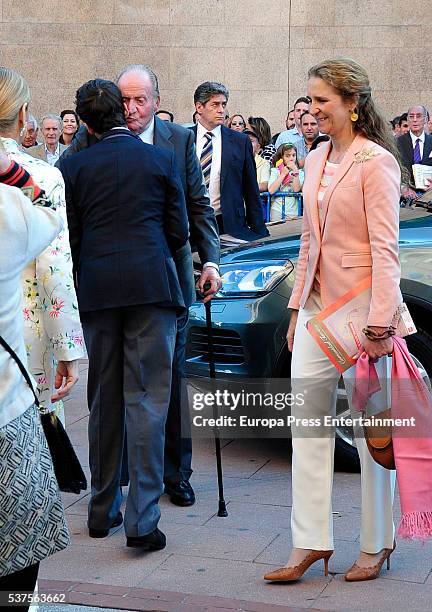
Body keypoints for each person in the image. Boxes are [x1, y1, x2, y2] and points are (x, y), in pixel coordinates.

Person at [264, 57, 402, 584]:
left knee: (373, 436)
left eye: (322, 100)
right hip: (318, 315)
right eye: (311, 99)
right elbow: (308, 242)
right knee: (308, 429)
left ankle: (376, 543)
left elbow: (385, 251)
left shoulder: (376, 162)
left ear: (353, 103)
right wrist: (297, 309)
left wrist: (380, 326)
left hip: (365, 318)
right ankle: (310, 543)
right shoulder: (317, 157)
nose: (312, 109)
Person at [60, 64, 221, 507]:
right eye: (124, 100)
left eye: (140, 100)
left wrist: (210, 262)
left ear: (156, 101)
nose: (132, 109)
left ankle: (176, 475)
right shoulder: (83, 145)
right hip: (132, 282)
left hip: (166, 285)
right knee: (120, 394)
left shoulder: (178, 142)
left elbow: (197, 209)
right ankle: (123, 494)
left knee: (168, 385)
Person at [0, 155, 69, 610]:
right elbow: (51, 211)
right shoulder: (8, 213)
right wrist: (12, 172)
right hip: (7, 411)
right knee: (18, 563)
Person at [0, 67, 84, 422]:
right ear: (22, 115)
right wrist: (67, 347)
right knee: (31, 446)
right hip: (22, 333)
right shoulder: (41, 178)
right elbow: (56, 270)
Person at [192, 81, 269, 240]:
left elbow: (251, 189)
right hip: (189, 225)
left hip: (228, 225)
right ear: (199, 107)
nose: (221, 110)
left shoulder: (240, 142)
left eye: (223, 104)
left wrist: (259, 231)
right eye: (215, 105)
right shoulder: (182, 138)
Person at [397, 105, 432, 197]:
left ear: (426, 119)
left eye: (419, 116)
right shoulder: (396, 143)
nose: (415, 120)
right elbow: (390, 171)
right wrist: (403, 188)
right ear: (408, 120)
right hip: (406, 198)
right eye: (411, 117)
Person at [268, 144, 303, 220]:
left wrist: (295, 173)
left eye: (293, 155)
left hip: (293, 211)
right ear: (281, 158)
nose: (291, 158)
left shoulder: (300, 172)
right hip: (277, 208)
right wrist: (283, 174)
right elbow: (271, 190)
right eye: (287, 156)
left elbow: (296, 189)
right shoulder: (275, 171)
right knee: (276, 230)